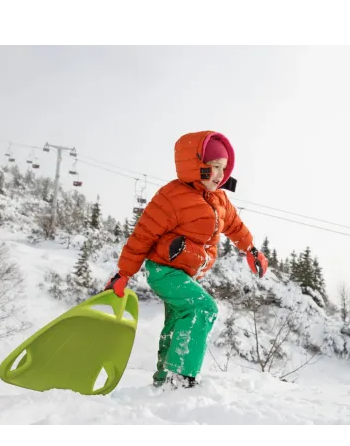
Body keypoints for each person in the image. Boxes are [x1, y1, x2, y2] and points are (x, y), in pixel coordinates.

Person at [104, 130, 268, 389]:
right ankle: (182, 377)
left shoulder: (220, 199)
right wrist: (123, 273)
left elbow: (235, 226)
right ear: (195, 166)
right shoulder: (171, 197)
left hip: (185, 273)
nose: (219, 175)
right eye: (213, 167)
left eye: (223, 168)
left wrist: (251, 249)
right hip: (163, 271)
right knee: (202, 308)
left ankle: (163, 380)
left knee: (177, 323)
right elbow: (142, 235)